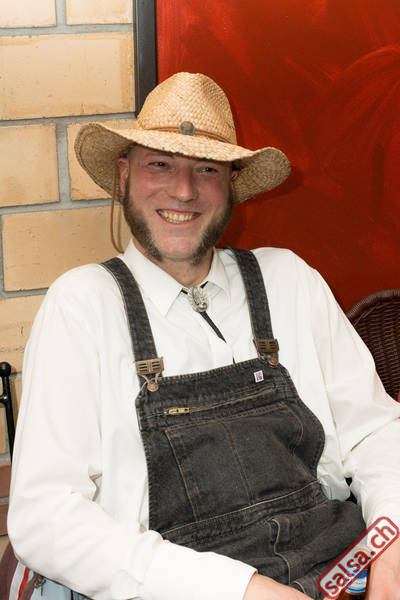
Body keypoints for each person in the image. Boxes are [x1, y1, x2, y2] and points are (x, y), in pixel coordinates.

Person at [7, 72, 400, 600]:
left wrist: (391, 546)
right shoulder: (82, 306)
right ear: (123, 176)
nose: (184, 191)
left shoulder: (289, 280)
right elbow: (45, 517)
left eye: (207, 169)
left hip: (339, 573)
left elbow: (376, 433)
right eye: (160, 164)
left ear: (231, 183)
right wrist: (242, 589)